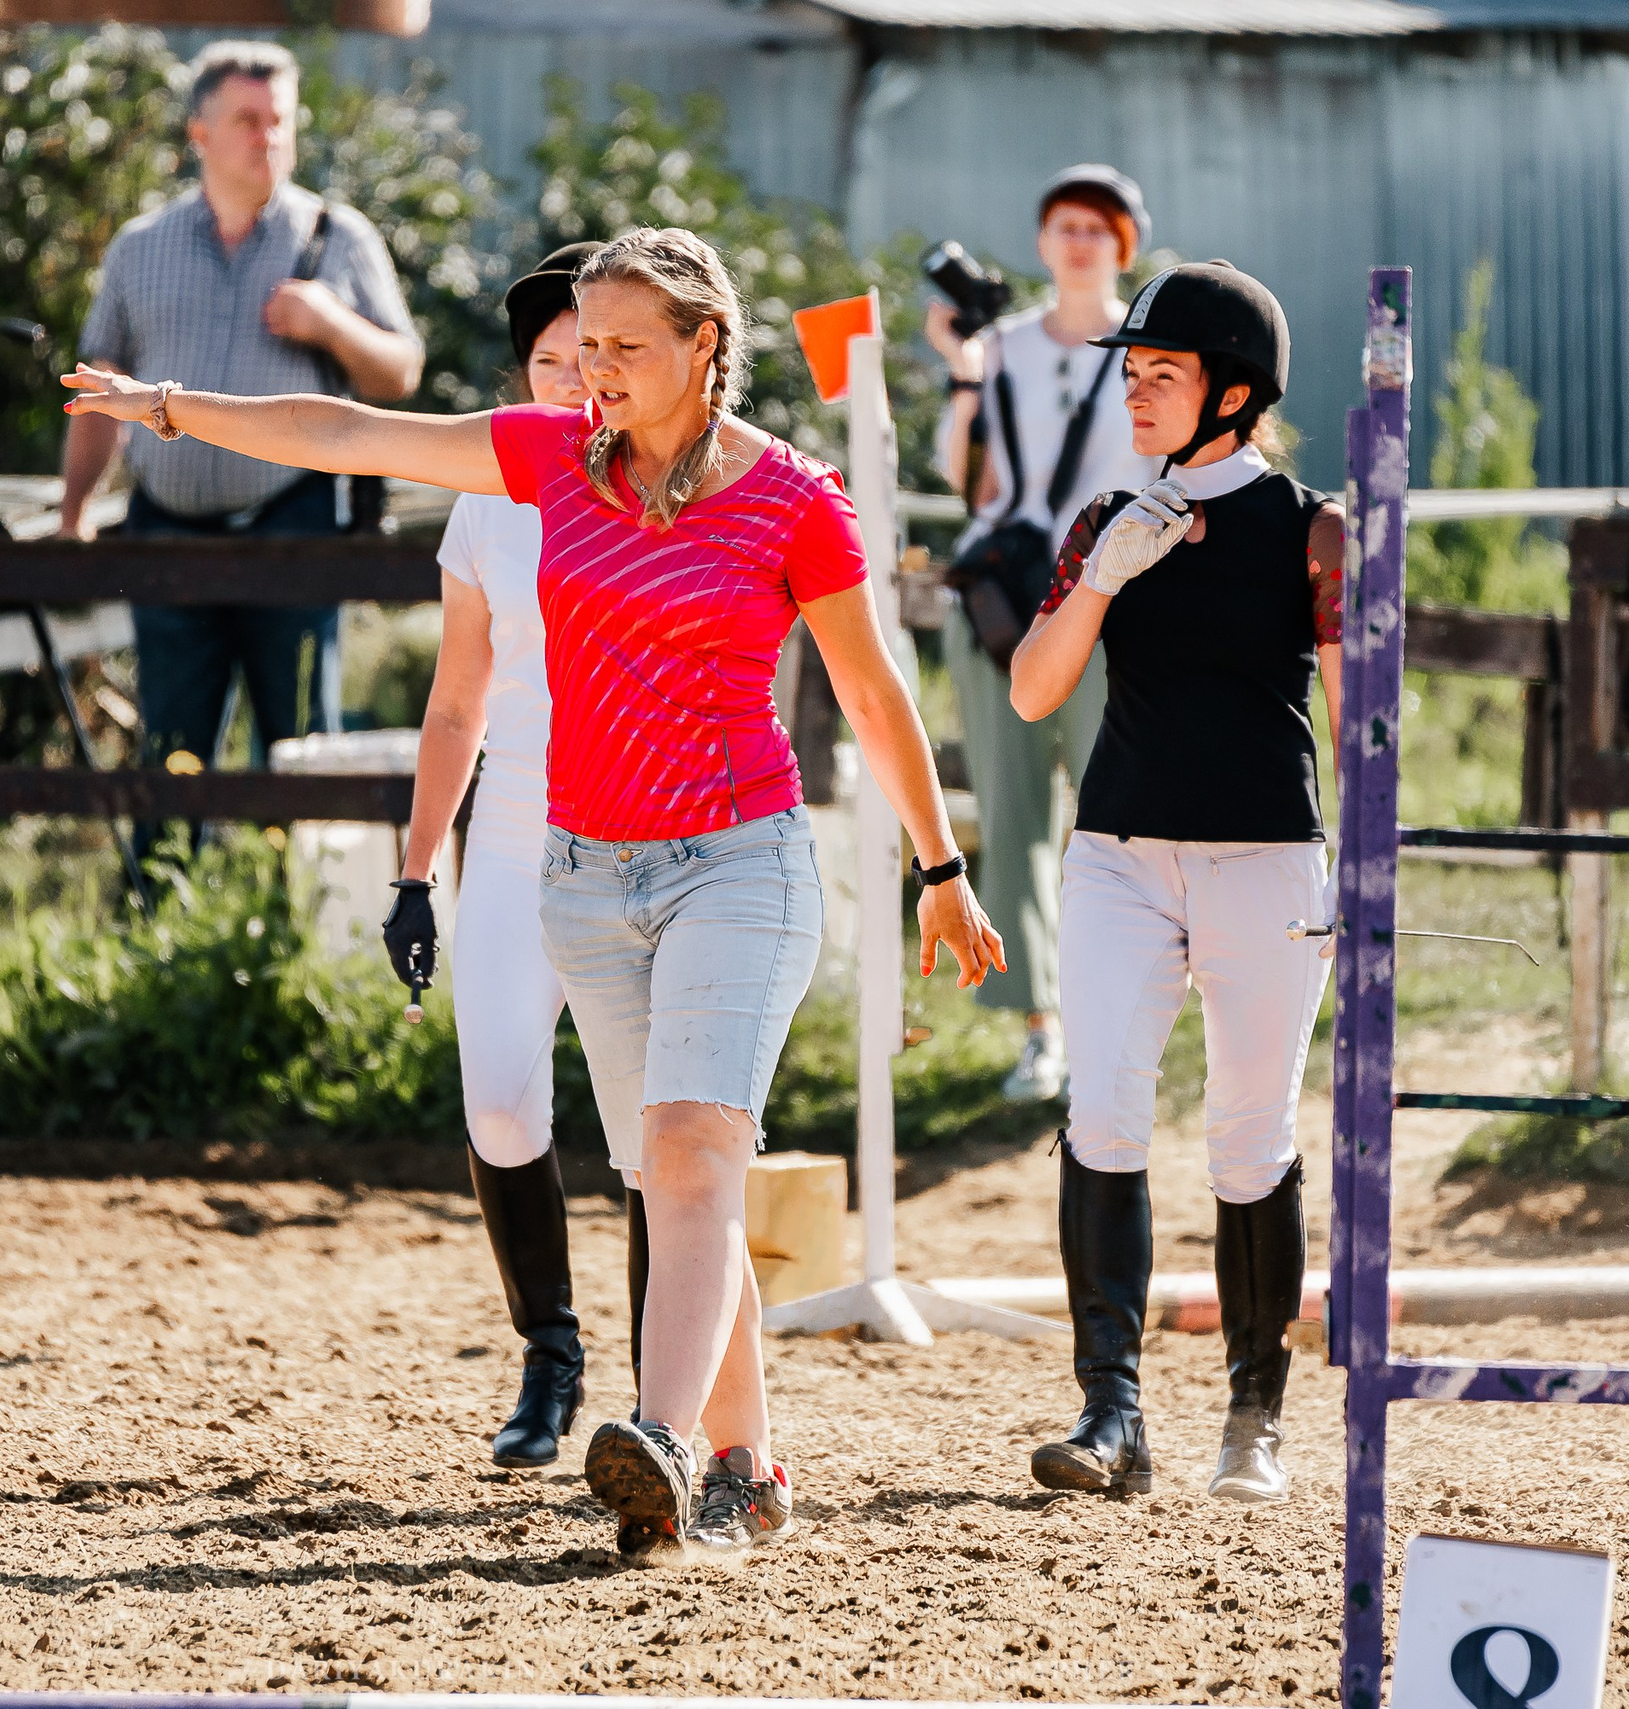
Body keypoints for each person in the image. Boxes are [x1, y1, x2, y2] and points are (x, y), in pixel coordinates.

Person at [62, 225, 1003, 1555]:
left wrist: (940, 866)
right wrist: (168, 406)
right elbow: (351, 433)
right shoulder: (548, 456)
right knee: (683, 1184)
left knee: (688, 1158)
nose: (596, 372)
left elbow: (871, 689)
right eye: (587, 346)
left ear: (705, 349)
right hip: (582, 874)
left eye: (625, 347)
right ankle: (748, 1467)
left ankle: (660, 1443)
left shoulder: (793, 498)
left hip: (740, 862)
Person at [1005, 262, 1342, 1507]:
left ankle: (1254, 1411)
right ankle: (1111, 1411)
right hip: (1118, 854)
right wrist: (1100, 579)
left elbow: (1359, 706)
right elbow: (1033, 690)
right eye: (1132, 375)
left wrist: (1368, 865)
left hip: (1265, 858)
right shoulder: (1106, 520)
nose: (1137, 397)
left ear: (1235, 394)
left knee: (1249, 1138)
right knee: (1102, 1108)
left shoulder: (1314, 529)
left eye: (1163, 376)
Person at [374, 242, 639, 1471]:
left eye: (592, 360)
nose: (572, 385)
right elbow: (454, 705)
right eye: (548, 363)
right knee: (494, 1094)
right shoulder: (489, 501)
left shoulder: (671, 486)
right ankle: (548, 1347)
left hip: (644, 816)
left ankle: (661, 1380)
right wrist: (415, 868)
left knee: (650, 1124)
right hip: (521, 815)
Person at [57, 39, 423, 866]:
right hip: (169, 530)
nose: (268, 138)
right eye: (247, 121)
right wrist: (75, 512)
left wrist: (331, 320)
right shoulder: (139, 248)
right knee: (172, 746)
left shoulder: (338, 238)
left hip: (292, 525)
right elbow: (97, 388)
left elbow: (402, 370)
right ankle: (162, 917)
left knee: (301, 745)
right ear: (200, 135)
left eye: (280, 121)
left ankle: (307, 920)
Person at [925, 166, 1159, 1103]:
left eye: (1097, 229)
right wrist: (962, 375)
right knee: (1014, 813)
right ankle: (1040, 1023)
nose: (1078, 242)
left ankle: (1119, 1011)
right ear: (1040, 239)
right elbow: (967, 484)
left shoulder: (1149, 346)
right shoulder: (1003, 346)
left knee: (1116, 809)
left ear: (1124, 244)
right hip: (1006, 598)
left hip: (1113, 594)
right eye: (1063, 225)